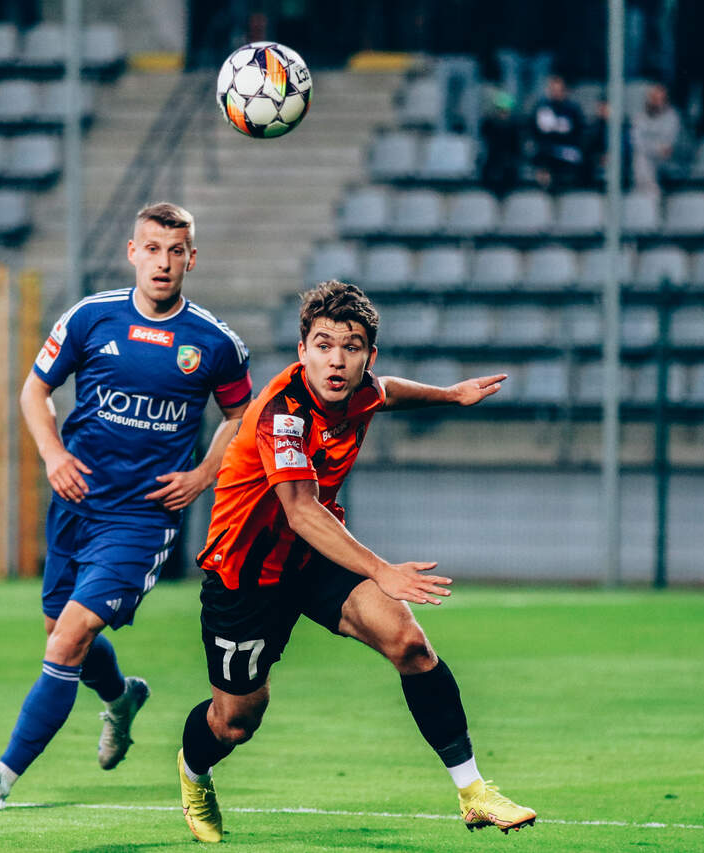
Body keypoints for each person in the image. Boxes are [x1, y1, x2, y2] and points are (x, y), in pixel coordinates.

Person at [175, 280, 535, 843]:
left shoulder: (361, 388)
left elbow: (388, 391)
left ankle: (474, 792)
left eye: (351, 346)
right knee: (236, 721)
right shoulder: (281, 413)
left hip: (313, 559)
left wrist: (450, 395)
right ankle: (195, 772)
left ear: (369, 355)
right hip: (245, 575)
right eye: (323, 345)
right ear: (302, 351)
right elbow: (300, 510)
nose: (336, 360)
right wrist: (383, 570)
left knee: (409, 643)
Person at [0, 202, 252, 811]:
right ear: (132, 253)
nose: (164, 262)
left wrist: (203, 475)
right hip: (75, 502)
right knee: (59, 631)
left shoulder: (215, 342)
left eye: (176, 251)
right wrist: (52, 456)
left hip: (141, 518)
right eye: (153, 249)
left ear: (192, 258)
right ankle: (121, 698)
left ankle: (0, 780)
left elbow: (240, 415)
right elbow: (35, 390)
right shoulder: (90, 317)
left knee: (66, 640)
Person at [528, 75, 586, 191]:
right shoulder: (541, 107)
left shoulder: (573, 109)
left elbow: (578, 133)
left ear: (565, 91)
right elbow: (535, 132)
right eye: (553, 90)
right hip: (546, 149)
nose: (555, 93)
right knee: (542, 154)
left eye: (559, 90)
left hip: (567, 149)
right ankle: (545, 186)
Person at [631, 83, 680, 197]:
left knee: (643, 158)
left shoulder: (672, 117)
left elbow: (668, 147)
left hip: (669, 160)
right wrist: (655, 148)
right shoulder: (639, 117)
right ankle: (651, 194)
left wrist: (653, 147)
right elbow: (637, 143)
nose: (655, 102)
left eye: (659, 99)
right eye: (653, 98)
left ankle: (646, 194)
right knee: (640, 158)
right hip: (647, 159)